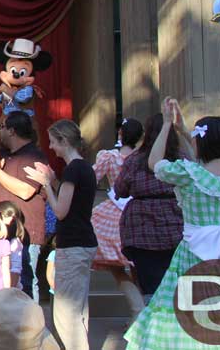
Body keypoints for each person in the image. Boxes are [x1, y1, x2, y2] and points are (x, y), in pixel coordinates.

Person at [124, 99, 220, 349]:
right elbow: (207, 161)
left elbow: (155, 163)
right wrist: (184, 131)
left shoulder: (189, 175)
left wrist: (168, 125)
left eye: (195, 137)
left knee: (188, 309)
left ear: (200, 142)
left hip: (194, 253)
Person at [24, 120, 98, 350]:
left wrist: (46, 184)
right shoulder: (83, 168)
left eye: (54, 142)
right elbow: (72, 202)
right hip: (83, 242)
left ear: (64, 141)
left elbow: (60, 211)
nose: (51, 147)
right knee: (78, 310)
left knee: (66, 315)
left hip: (73, 244)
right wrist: (54, 180)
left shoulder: (73, 169)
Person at [0, 111, 49, 302]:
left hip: (24, 233)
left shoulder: (34, 156)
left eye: (2, 128)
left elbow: (26, 191)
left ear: (12, 131)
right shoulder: (2, 153)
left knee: (24, 282)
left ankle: (29, 326)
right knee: (0, 283)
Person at [113, 113, 183, 304]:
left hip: (142, 228)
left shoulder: (135, 160)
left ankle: (153, 324)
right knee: (178, 282)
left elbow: (121, 190)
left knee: (150, 283)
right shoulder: (182, 160)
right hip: (176, 223)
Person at [90, 118, 145, 317]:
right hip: (140, 211)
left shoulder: (110, 157)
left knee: (118, 266)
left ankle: (137, 312)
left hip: (116, 210)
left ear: (120, 135)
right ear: (141, 137)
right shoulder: (145, 158)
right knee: (139, 266)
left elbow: (92, 178)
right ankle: (139, 313)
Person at [0, 201, 25, 288]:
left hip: (7, 291)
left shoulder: (14, 243)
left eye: (12, 223)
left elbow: (15, 270)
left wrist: (8, 292)